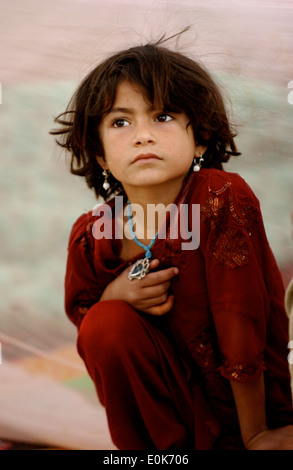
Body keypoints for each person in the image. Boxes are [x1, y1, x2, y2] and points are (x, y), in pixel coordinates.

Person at [51, 36, 293, 450]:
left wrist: (257, 433)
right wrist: (115, 295)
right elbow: (88, 326)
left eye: (162, 116)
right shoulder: (94, 235)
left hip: (243, 414)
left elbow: (241, 317)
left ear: (198, 138)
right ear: (102, 155)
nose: (142, 135)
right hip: (164, 429)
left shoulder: (218, 197)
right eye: (120, 122)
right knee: (104, 324)